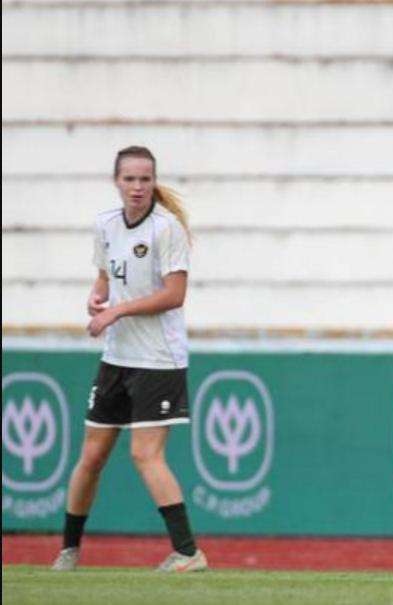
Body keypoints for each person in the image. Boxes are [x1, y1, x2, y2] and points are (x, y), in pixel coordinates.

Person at [51, 146, 207, 573]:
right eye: (130, 179)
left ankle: (189, 553)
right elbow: (105, 275)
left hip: (158, 359)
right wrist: (98, 296)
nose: (138, 187)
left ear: (154, 182)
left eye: (145, 179)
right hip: (117, 356)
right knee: (92, 456)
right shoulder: (104, 225)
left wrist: (118, 311)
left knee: (145, 454)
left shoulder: (166, 228)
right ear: (116, 181)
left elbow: (175, 295)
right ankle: (69, 551)